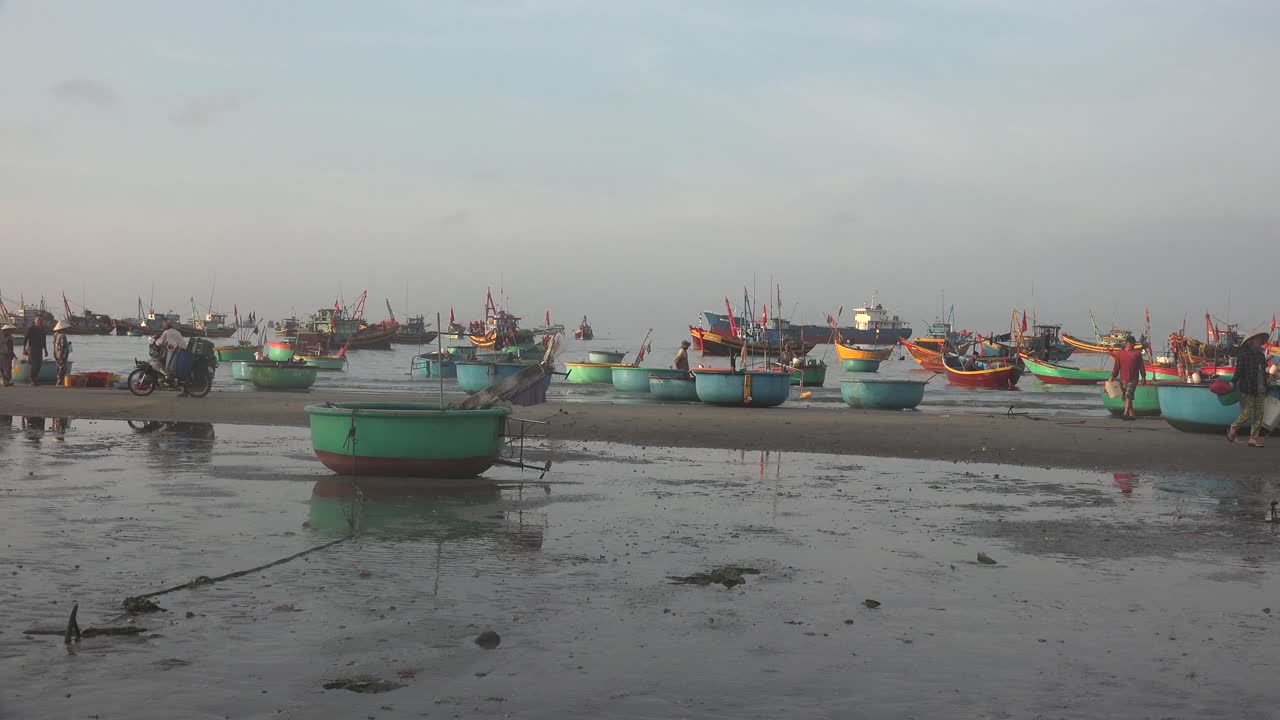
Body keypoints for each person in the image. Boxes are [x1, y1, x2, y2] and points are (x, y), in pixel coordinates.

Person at [1228, 330, 1270, 447]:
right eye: (1258, 339)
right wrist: (1232, 383)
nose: (1260, 341)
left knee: (1259, 414)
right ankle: (1233, 427)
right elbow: (1239, 371)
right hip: (1248, 387)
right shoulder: (1244, 353)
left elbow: (1264, 371)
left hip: (1261, 387)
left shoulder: (1261, 355)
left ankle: (1253, 438)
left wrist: (1268, 381)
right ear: (1251, 340)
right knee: (1246, 413)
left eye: (1261, 339)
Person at [1110, 335, 1144, 420]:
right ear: (1127, 343)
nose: (1132, 345)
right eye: (1131, 343)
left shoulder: (1137, 354)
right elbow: (1116, 367)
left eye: (1133, 344)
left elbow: (1141, 366)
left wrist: (1143, 376)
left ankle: (1125, 413)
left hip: (1133, 378)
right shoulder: (1120, 354)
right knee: (1126, 397)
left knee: (1128, 394)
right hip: (1123, 378)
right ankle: (1132, 415)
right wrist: (1112, 377)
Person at [23, 316, 48, 386]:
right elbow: (25, 339)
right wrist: (24, 348)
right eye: (38, 320)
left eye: (41, 320)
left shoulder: (43, 330)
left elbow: (44, 341)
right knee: (33, 365)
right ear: (35, 321)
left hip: (39, 349)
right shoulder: (31, 328)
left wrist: (45, 350)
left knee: (39, 364)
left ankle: (35, 379)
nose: (39, 322)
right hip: (32, 349)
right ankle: (32, 380)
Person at [52, 321, 72, 386]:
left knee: (58, 368)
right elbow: (63, 346)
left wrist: (55, 354)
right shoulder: (63, 335)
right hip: (62, 355)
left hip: (56, 354)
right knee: (63, 369)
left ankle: (58, 382)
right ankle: (60, 382)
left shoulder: (55, 335)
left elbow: (55, 345)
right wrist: (67, 345)